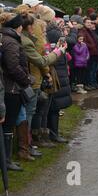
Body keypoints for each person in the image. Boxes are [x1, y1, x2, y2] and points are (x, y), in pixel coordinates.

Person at [21, 13, 64, 151]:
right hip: (35, 80)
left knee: (40, 110)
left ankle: (35, 140)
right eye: (43, 30)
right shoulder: (30, 42)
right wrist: (57, 52)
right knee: (34, 112)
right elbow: (41, 60)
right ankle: (30, 143)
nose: (44, 33)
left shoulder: (33, 40)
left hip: (39, 78)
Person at [0, 13, 31, 170]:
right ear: (18, 26)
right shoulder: (11, 42)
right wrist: (26, 80)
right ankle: (6, 161)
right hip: (12, 88)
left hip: (10, 86)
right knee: (8, 124)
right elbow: (13, 66)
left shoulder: (6, 39)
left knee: (9, 123)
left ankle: (6, 159)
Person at [46, 21, 71, 143]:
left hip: (57, 72)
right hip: (57, 73)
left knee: (52, 107)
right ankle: (53, 133)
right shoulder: (55, 34)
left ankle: (52, 133)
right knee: (54, 107)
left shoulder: (48, 34)